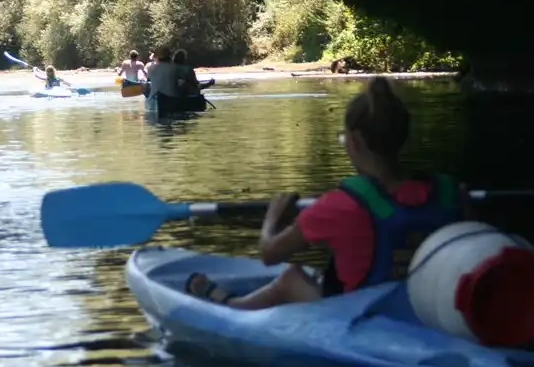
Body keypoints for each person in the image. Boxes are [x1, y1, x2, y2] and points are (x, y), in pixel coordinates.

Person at [185, 77, 466, 309]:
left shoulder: (340, 205)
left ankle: (233, 306)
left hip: (362, 315)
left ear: (354, 141)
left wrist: (273, 216)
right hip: (427, 309)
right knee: (328, 272)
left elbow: (269, 253)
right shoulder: (448, 192)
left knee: (291, 277)